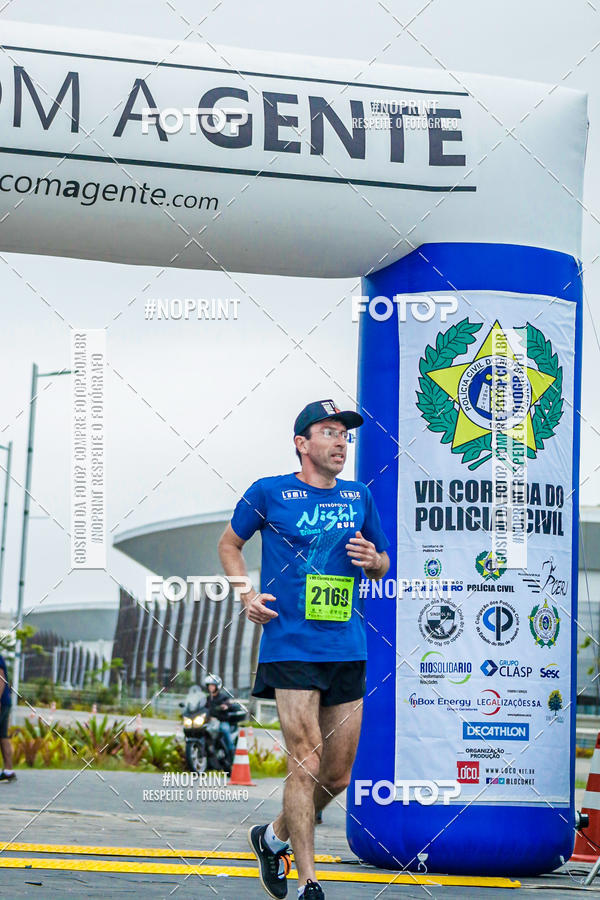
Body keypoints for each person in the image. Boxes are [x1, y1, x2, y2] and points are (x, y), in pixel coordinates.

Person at [218, 399, 390, 900]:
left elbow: (381, 562)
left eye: (345, 435)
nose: (341, 443)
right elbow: (229, 544)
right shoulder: (269, 492)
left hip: (346, 644)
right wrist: (246, 595)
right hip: (290, 642)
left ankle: (272, 838)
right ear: (302, 443)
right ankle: (310, 881)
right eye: (329, 432)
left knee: (335, 774)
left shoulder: (359, 496)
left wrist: (372, 559)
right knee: (306, 760)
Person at [204, 674, 235, 757]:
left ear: (217, 686)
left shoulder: (223, 697)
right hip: (210, 722)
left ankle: (232, 757)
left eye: (212, 685)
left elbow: (228, 703)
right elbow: (201, 707)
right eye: (209, 685)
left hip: (221, 721)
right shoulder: (207, 699)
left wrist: (225, 706)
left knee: (225, 731)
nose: (210, 687)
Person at [0, 652, 16, 782]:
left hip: (1, 702)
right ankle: (9, 771)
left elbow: (1, 678)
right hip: (5, 701)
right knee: (3, 736)